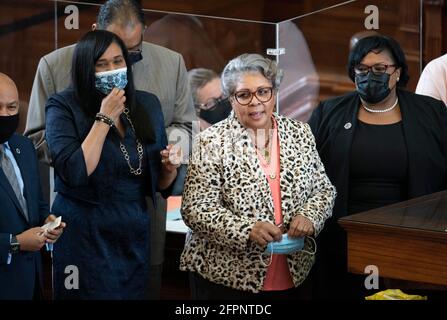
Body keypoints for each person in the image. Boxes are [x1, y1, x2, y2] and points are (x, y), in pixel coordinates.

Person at [25, 0, 195, 299]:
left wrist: (170, 160)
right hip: (84, 222)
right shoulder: (61, 91)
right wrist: (103, 119)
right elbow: (66, 163)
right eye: (102, 64)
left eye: (121, 60)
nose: (113, 69)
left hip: (135, 223)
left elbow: (161, 176)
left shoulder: (148, 101)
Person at [180, 53, 336, 299]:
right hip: (228, 279)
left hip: (295, 272)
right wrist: (246, 229)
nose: (255, 102)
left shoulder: (299, 132)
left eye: (263, 91)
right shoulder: (210, 142)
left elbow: (324, 190)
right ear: (231, 99)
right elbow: (195, 209)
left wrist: (310, 215)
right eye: (244, 95)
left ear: (274, 92)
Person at [308, 35, 447, 300]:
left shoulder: (431, 112)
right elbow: (307, 174)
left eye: (380, 69)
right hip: (343, 239)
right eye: (362, 69)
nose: (370, 75)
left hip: (413, 239)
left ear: (397, 73)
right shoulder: (329, 112)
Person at [0, 73, 65, 300]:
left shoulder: (24, 146)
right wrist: (15, 243)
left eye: (12, 107)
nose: (5, 115)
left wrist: (48, 223)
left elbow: (35, 203)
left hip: (31, 280)